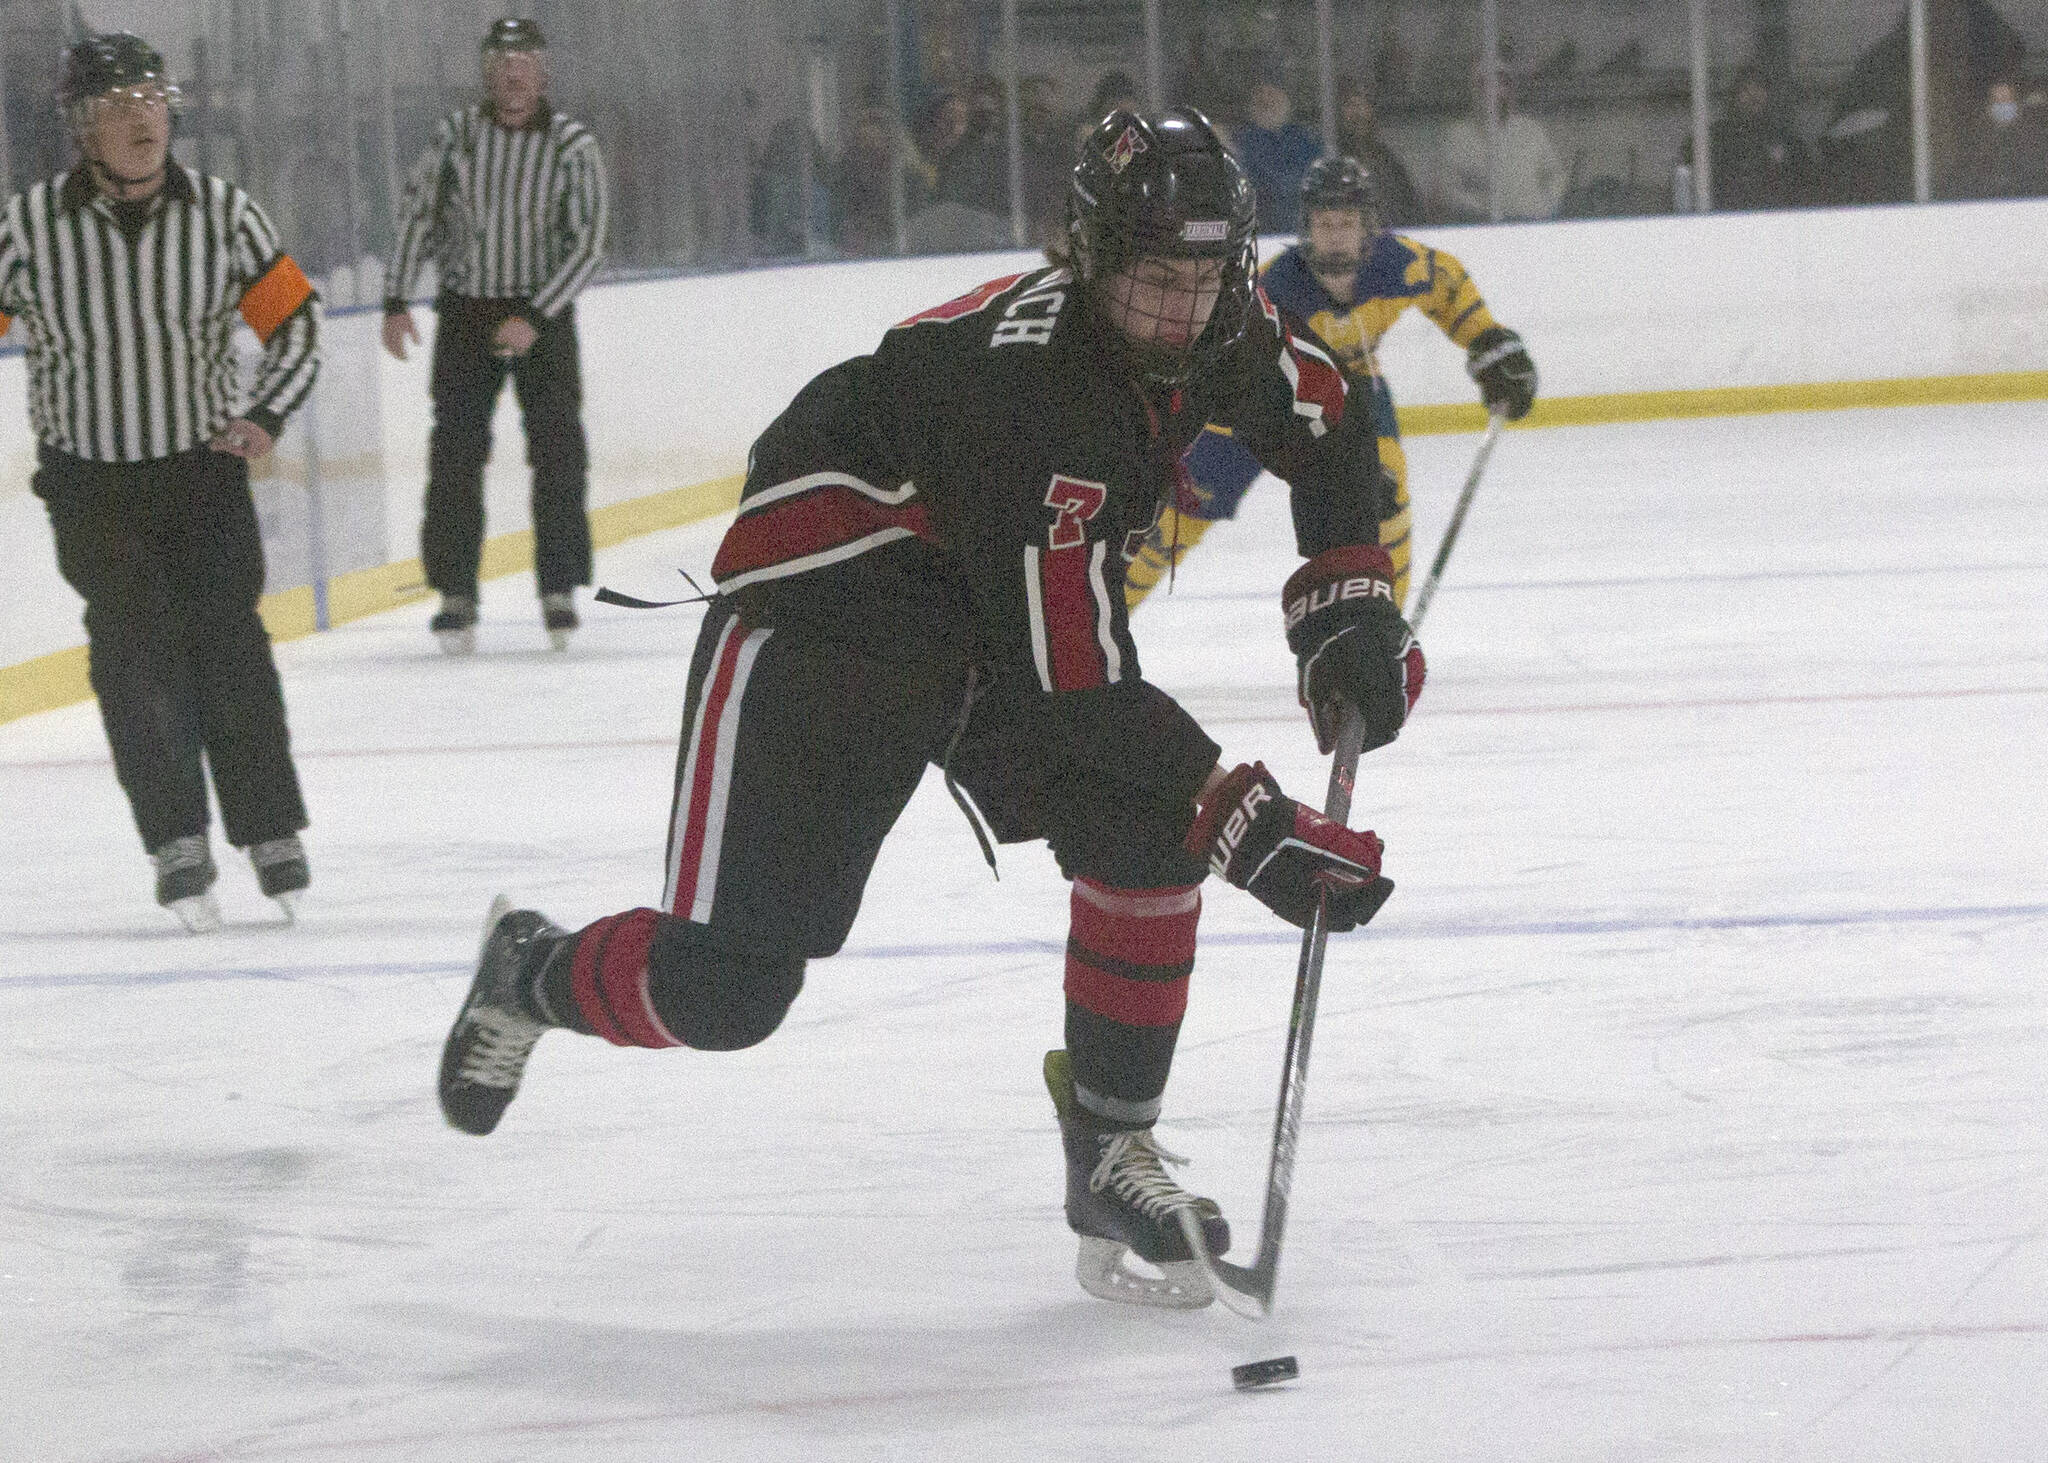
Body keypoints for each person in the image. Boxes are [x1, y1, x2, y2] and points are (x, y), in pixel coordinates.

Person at [435, 110, 1423, 1310]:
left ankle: (1109, 1147)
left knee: (1142, 824)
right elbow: (1072, 689)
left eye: (1207, 278)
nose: (1183, 309)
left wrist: (1346, 606)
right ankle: (529, 971)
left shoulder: (1218, 326)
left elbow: (1324, 418)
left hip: (977, 609)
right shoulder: (1031, 404)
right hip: (826, 625)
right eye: (1156, 279)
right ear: (1090, 256)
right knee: (728, 992)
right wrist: (1245, 819)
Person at [1, 33, 320, 930]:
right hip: (90, 486)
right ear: (81, 126)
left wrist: (267, 416)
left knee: (229, 646)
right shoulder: (27, 228)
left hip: (202, 475)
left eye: (150, 96)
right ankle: (177, 838)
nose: (140, 116)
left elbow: (295, 320)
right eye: (116, 103)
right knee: (133, 652)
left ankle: (269, 831)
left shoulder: (222, 212)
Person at [1128, 156, 1535, 611]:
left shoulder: (1399, 264)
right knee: (1177, 517)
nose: (1336, 234)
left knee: (1385, 498)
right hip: (1261, 396)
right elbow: (1219, 356)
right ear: (1306, 226)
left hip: (1353, 393)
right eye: (1325, 223)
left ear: (1368, 227)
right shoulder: (1271, 286)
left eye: (1347, 222)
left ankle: (1382, 628)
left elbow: (1448, 285)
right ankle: (1098, 617)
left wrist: (1489, 341)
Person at [383, 18, 609, 655]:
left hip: (543, 315)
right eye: (502, 60)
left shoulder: (571, 144)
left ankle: (558, 586)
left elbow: (589, 242)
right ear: (487, 70)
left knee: (559, 452)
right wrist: (397, 296)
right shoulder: (455, 135)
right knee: (454, 455)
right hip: (466, 312)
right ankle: (455, 592)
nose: (513, 72)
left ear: (543, 71)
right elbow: (418, 214)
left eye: (526, 59)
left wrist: (536, 315)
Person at [1435, 65, 1566, 222]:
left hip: (1533, 223)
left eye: (1504, 84)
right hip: (1481, 226)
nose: (1498, 92)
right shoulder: (1458, 136)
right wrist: (1479, 210)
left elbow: (1555, 175)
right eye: (1489, 86)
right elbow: (1446, 189)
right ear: (1476, 92)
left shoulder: (1531, 130)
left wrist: (1546, 206)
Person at [1685, 66, 1810, 211]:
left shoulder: (1786, 140)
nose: (1753, 95)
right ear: (1734, 95)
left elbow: (1803, 187)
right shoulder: (1714, 139)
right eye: (1746, 89)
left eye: (1759, 88)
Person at [1233, 71, 1322, 233]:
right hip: (1256, 235)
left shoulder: (1305, 140)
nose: (1266, 100)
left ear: (1286, 98)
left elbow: (1308, 184)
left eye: (1272, 93)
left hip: (1298, 231)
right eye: (1260, 93)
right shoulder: (1240, 141)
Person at [1334, 77, 1423, 227]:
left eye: (1364, 105)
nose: (1358, 112)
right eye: (1350, 105)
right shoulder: (1330, 157)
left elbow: (1410, 209)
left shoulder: (1386, 159)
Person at [1947, 74, 2048, 200]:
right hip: (1987, 199)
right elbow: (1970, 170)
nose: (2002, 104)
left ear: (2016, 101)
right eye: (1997, 100)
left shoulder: (2031, 133)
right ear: (1989, 104)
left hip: (2026, 198)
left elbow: (2037, 169)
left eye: (2006, 99)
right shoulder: (1978, 135)